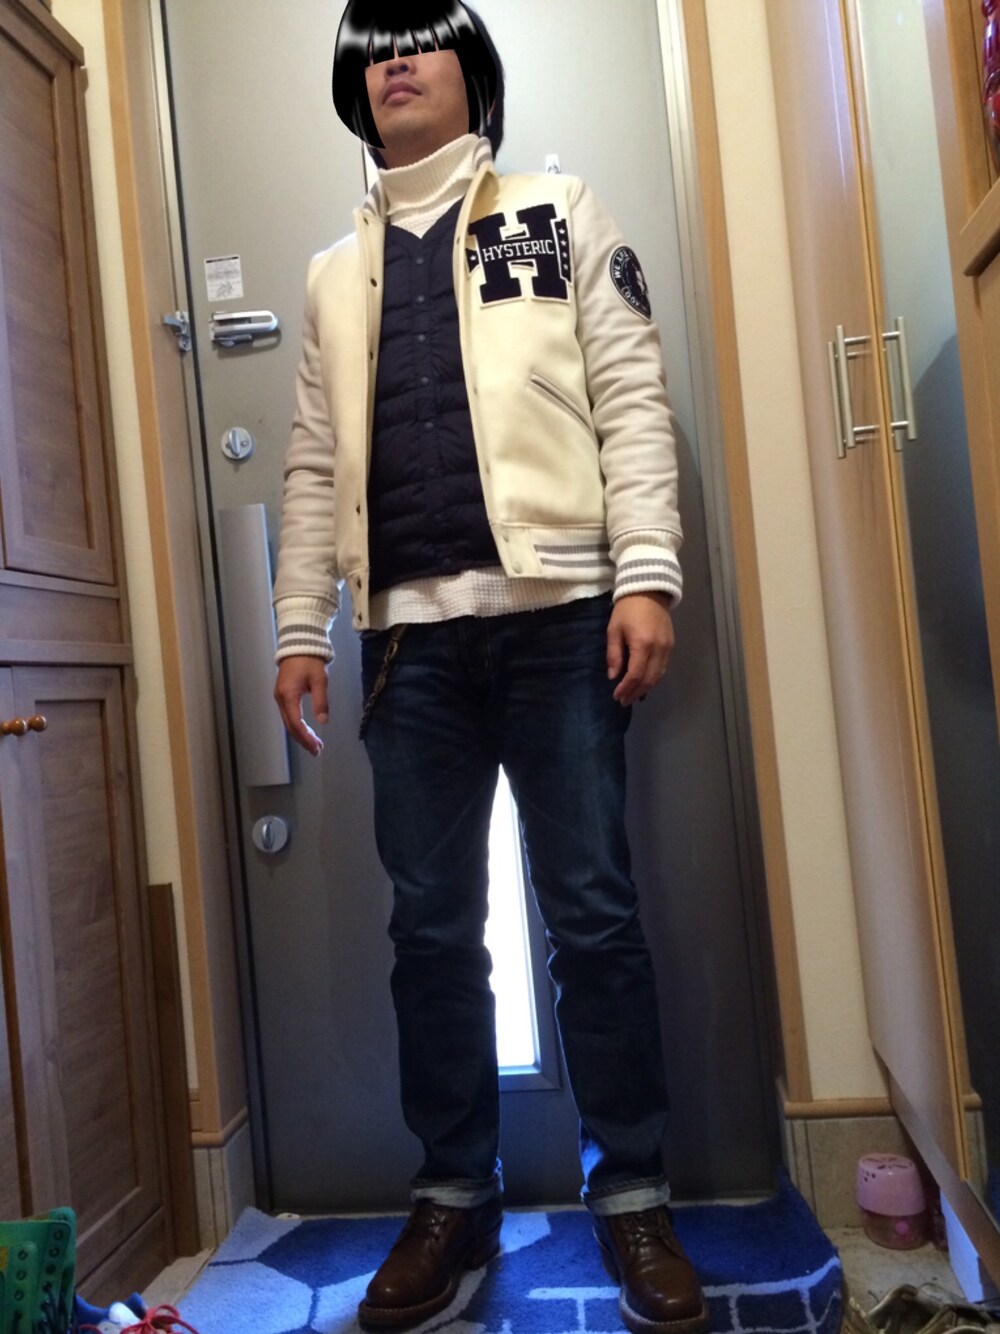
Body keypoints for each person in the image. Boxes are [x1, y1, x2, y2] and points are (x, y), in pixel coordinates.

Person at [272, 4, 709, 1332]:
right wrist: (298, 627)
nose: (395, 60)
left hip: (562, 621)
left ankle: (632, 1194)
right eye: (373, 48)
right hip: (405, 643)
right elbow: (311, 463)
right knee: (430, 931)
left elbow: (631, 397)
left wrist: (646, 574)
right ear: (356, 87)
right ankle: (454, 1196)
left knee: (593, 915)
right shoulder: (330, 278)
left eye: (419, 38)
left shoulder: (557, 211)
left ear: (473, 72)